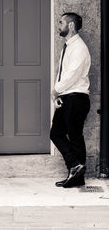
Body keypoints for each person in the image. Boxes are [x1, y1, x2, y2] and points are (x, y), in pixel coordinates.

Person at [50, 12, 91, 188]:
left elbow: (72, 75)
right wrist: (59, 95)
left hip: (76, 97)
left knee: (75, 136)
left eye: (61, 23)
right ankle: (75, 168)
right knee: (56, 133)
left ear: (71, 25)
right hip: (67, 96)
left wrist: (55, 90)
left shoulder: (79, 48)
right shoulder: (68, 46)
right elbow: (63, 73)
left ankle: (76, 173)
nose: (58, 26)